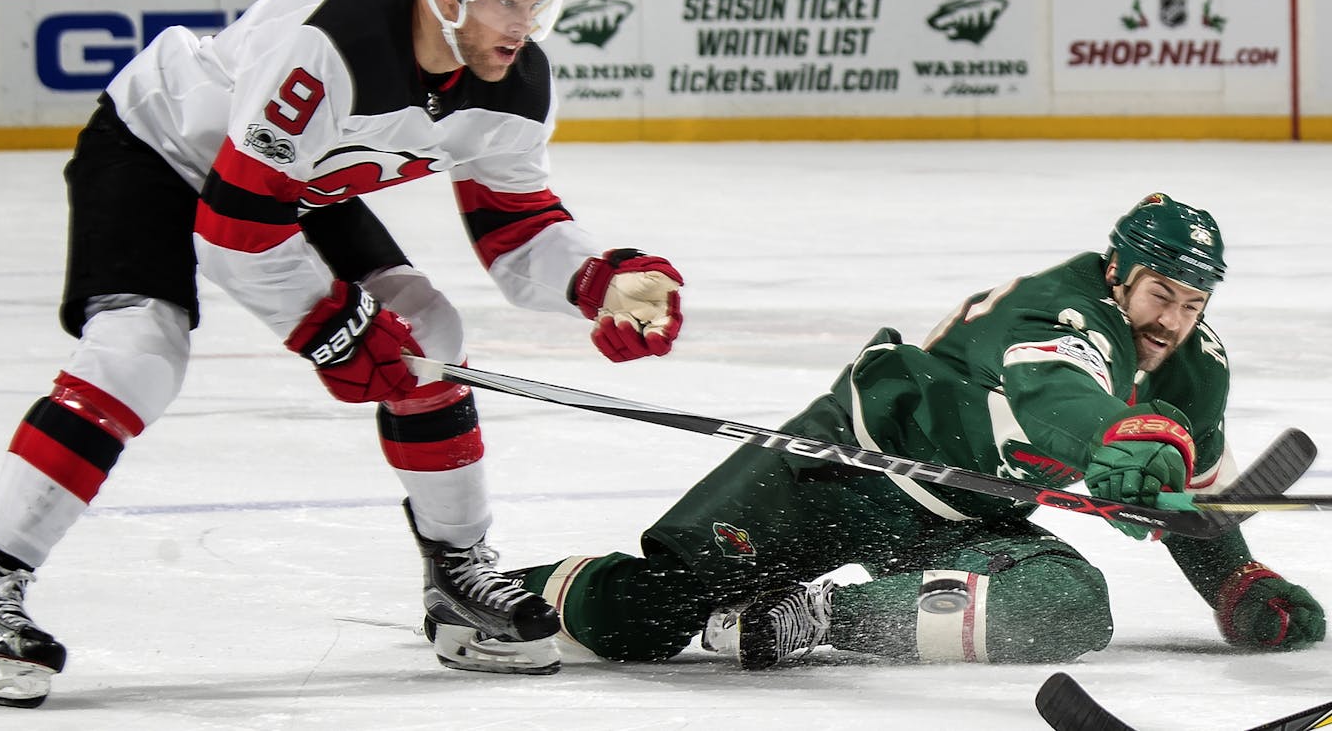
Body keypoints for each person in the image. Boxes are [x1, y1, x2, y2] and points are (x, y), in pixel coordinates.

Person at [0, 0, 685, 709]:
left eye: (539, 2)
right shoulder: (334, 45)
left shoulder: (515, 81)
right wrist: (333, 331)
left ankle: (457, 573)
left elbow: (515, 226)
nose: (523, 24)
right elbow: (235, 226)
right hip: (159, 150)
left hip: (290, 180)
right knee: (138, 352)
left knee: (429, 331)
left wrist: (600, 280)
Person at [518, 194, 1324, 669]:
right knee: (647, 618)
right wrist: (1119, 439)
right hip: (843, 465)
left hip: (971, 513)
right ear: (1118, 271)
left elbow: (1192, 503)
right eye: (1160, 294)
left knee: (1067, 605)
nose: (1173, 321)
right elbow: (1054, 387)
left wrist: (1233, 577)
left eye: (1193, 302)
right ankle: (499, 592)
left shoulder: (1197, 368)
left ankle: (821, 616)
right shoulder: (1057, 306)